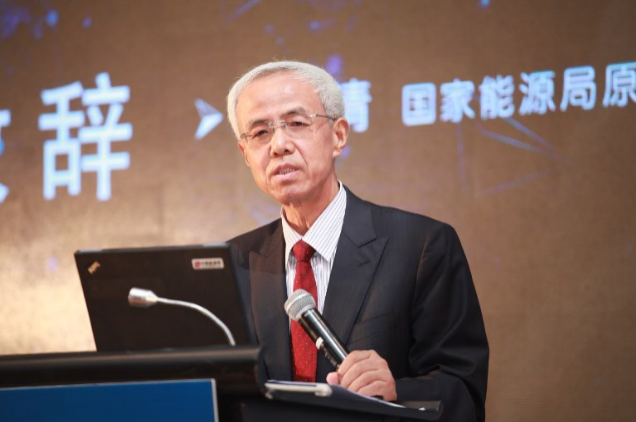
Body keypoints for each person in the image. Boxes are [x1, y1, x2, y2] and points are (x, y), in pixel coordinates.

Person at [226, 61, 489, 422]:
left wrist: (395, 390)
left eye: (297, 123)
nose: (279, 145)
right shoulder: (234, 263)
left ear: (338, 136)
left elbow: (463, 391)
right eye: (260, 132)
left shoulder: (421, 246)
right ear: (245, 154)